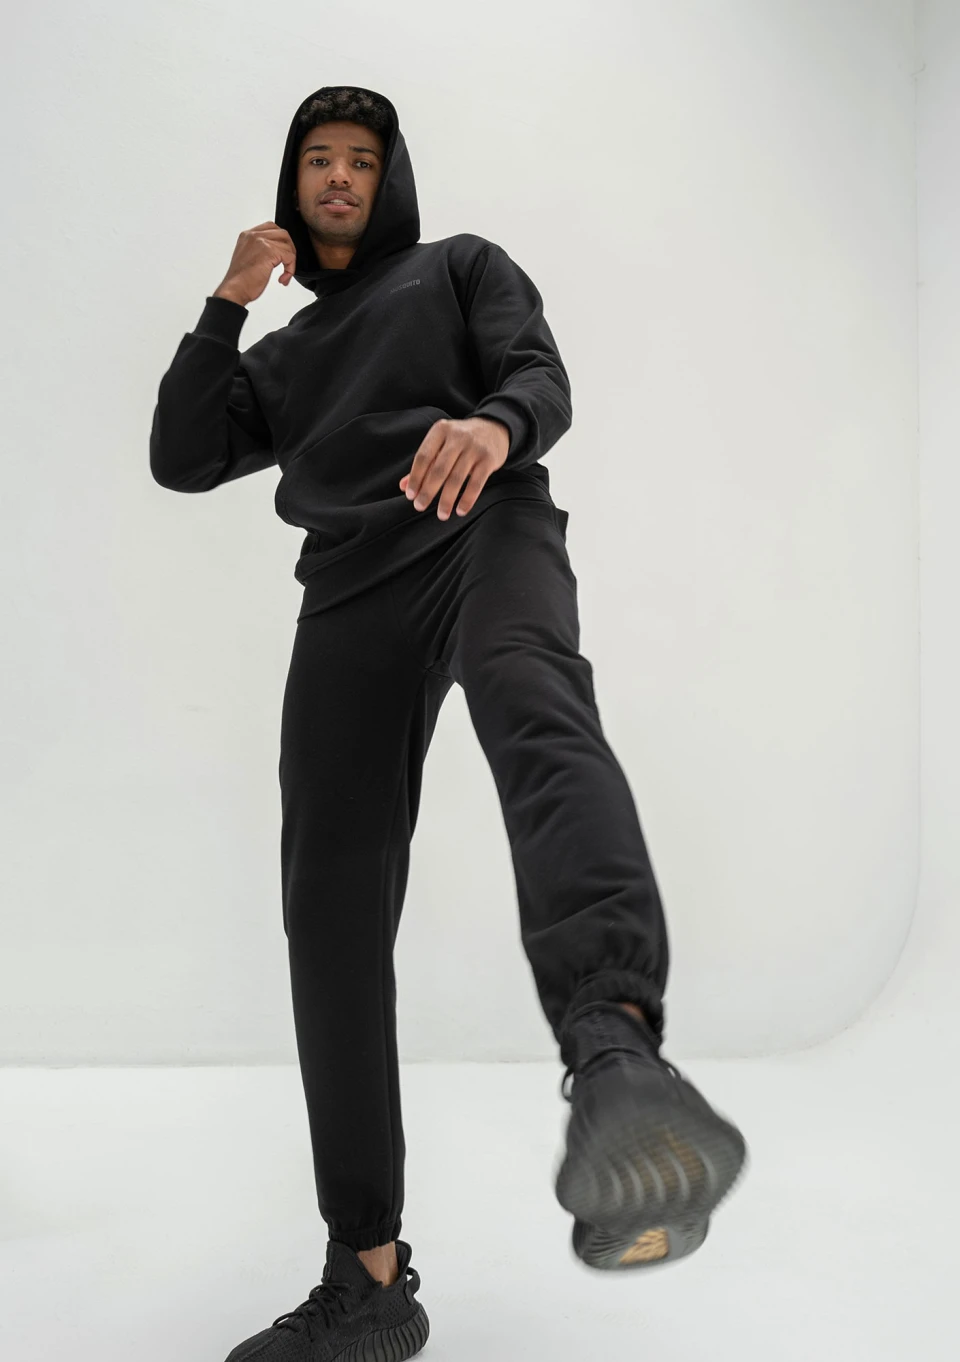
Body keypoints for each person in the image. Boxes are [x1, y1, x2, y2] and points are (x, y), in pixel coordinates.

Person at [150, 83, 748, 1362]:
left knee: (531, 690)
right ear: (291, 186)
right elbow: (182, 454)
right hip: (348, 592)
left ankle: (614, 1047)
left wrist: (492, 422)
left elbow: (541, 375)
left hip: (483, 524)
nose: (340, 177)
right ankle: (369, 1282)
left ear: (392, 179)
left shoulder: (459, 267)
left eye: (362, 160)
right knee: (328, 900)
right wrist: (226, 303)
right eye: (319, 159)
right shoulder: (283, 355)